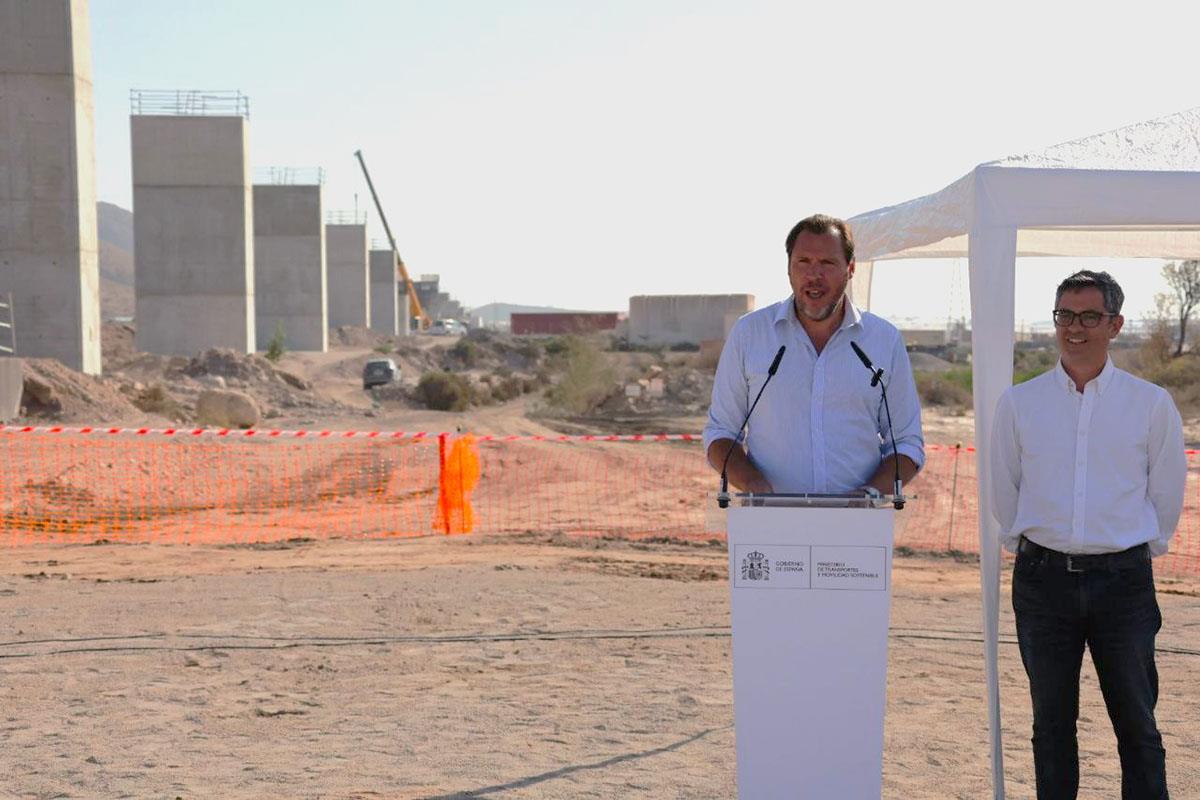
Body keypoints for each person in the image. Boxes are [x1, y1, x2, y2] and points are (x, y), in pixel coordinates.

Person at [990, 270, 1186, 799]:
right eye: (1065, 316)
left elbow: (1166, 493)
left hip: (1123, 584)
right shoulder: (1019, 404)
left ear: (1115, 324)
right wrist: (1031, 546)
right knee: (1050, 726)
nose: (1075, 328)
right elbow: (1004, 490)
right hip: (1042, 582)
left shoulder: (1150, 404)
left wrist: (1131, 549)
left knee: (1137, 725)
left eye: (1089, 317)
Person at [703, 213, 924, 496]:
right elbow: (721, 434)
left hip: (858, 527)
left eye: (828, 263)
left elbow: (906, 443)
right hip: (769, 525)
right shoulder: (750, 334)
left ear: (851, 268)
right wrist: (754, 486)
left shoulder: (884, 340)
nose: (814, 275)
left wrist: (868, 494)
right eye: (803, 262)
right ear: (789, 269)